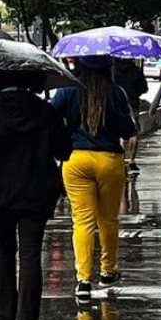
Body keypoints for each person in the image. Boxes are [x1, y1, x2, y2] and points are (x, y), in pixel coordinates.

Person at [0, 71, 72, 320]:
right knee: (31, 253)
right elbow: (64, 149)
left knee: (5, 249)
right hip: (36, 193)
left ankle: (6, 315)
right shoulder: (45, 111)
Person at [52, 56, 136, 301]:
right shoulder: (116, 92)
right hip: (109, 161)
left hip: (76, 160)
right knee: (108, 219)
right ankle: (108, 271)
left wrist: (67, 134)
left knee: (82, 221)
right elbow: (127, 130)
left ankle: (84, 280)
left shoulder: (68, 89)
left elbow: (52, 118)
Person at [112, 58, 148, 176]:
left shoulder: (114, 70)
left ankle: (122, 159)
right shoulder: (136, 71)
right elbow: (144, 88)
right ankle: (132, 160)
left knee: (119, 133)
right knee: (134, 132)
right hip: (133, 104)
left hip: (117, 104)